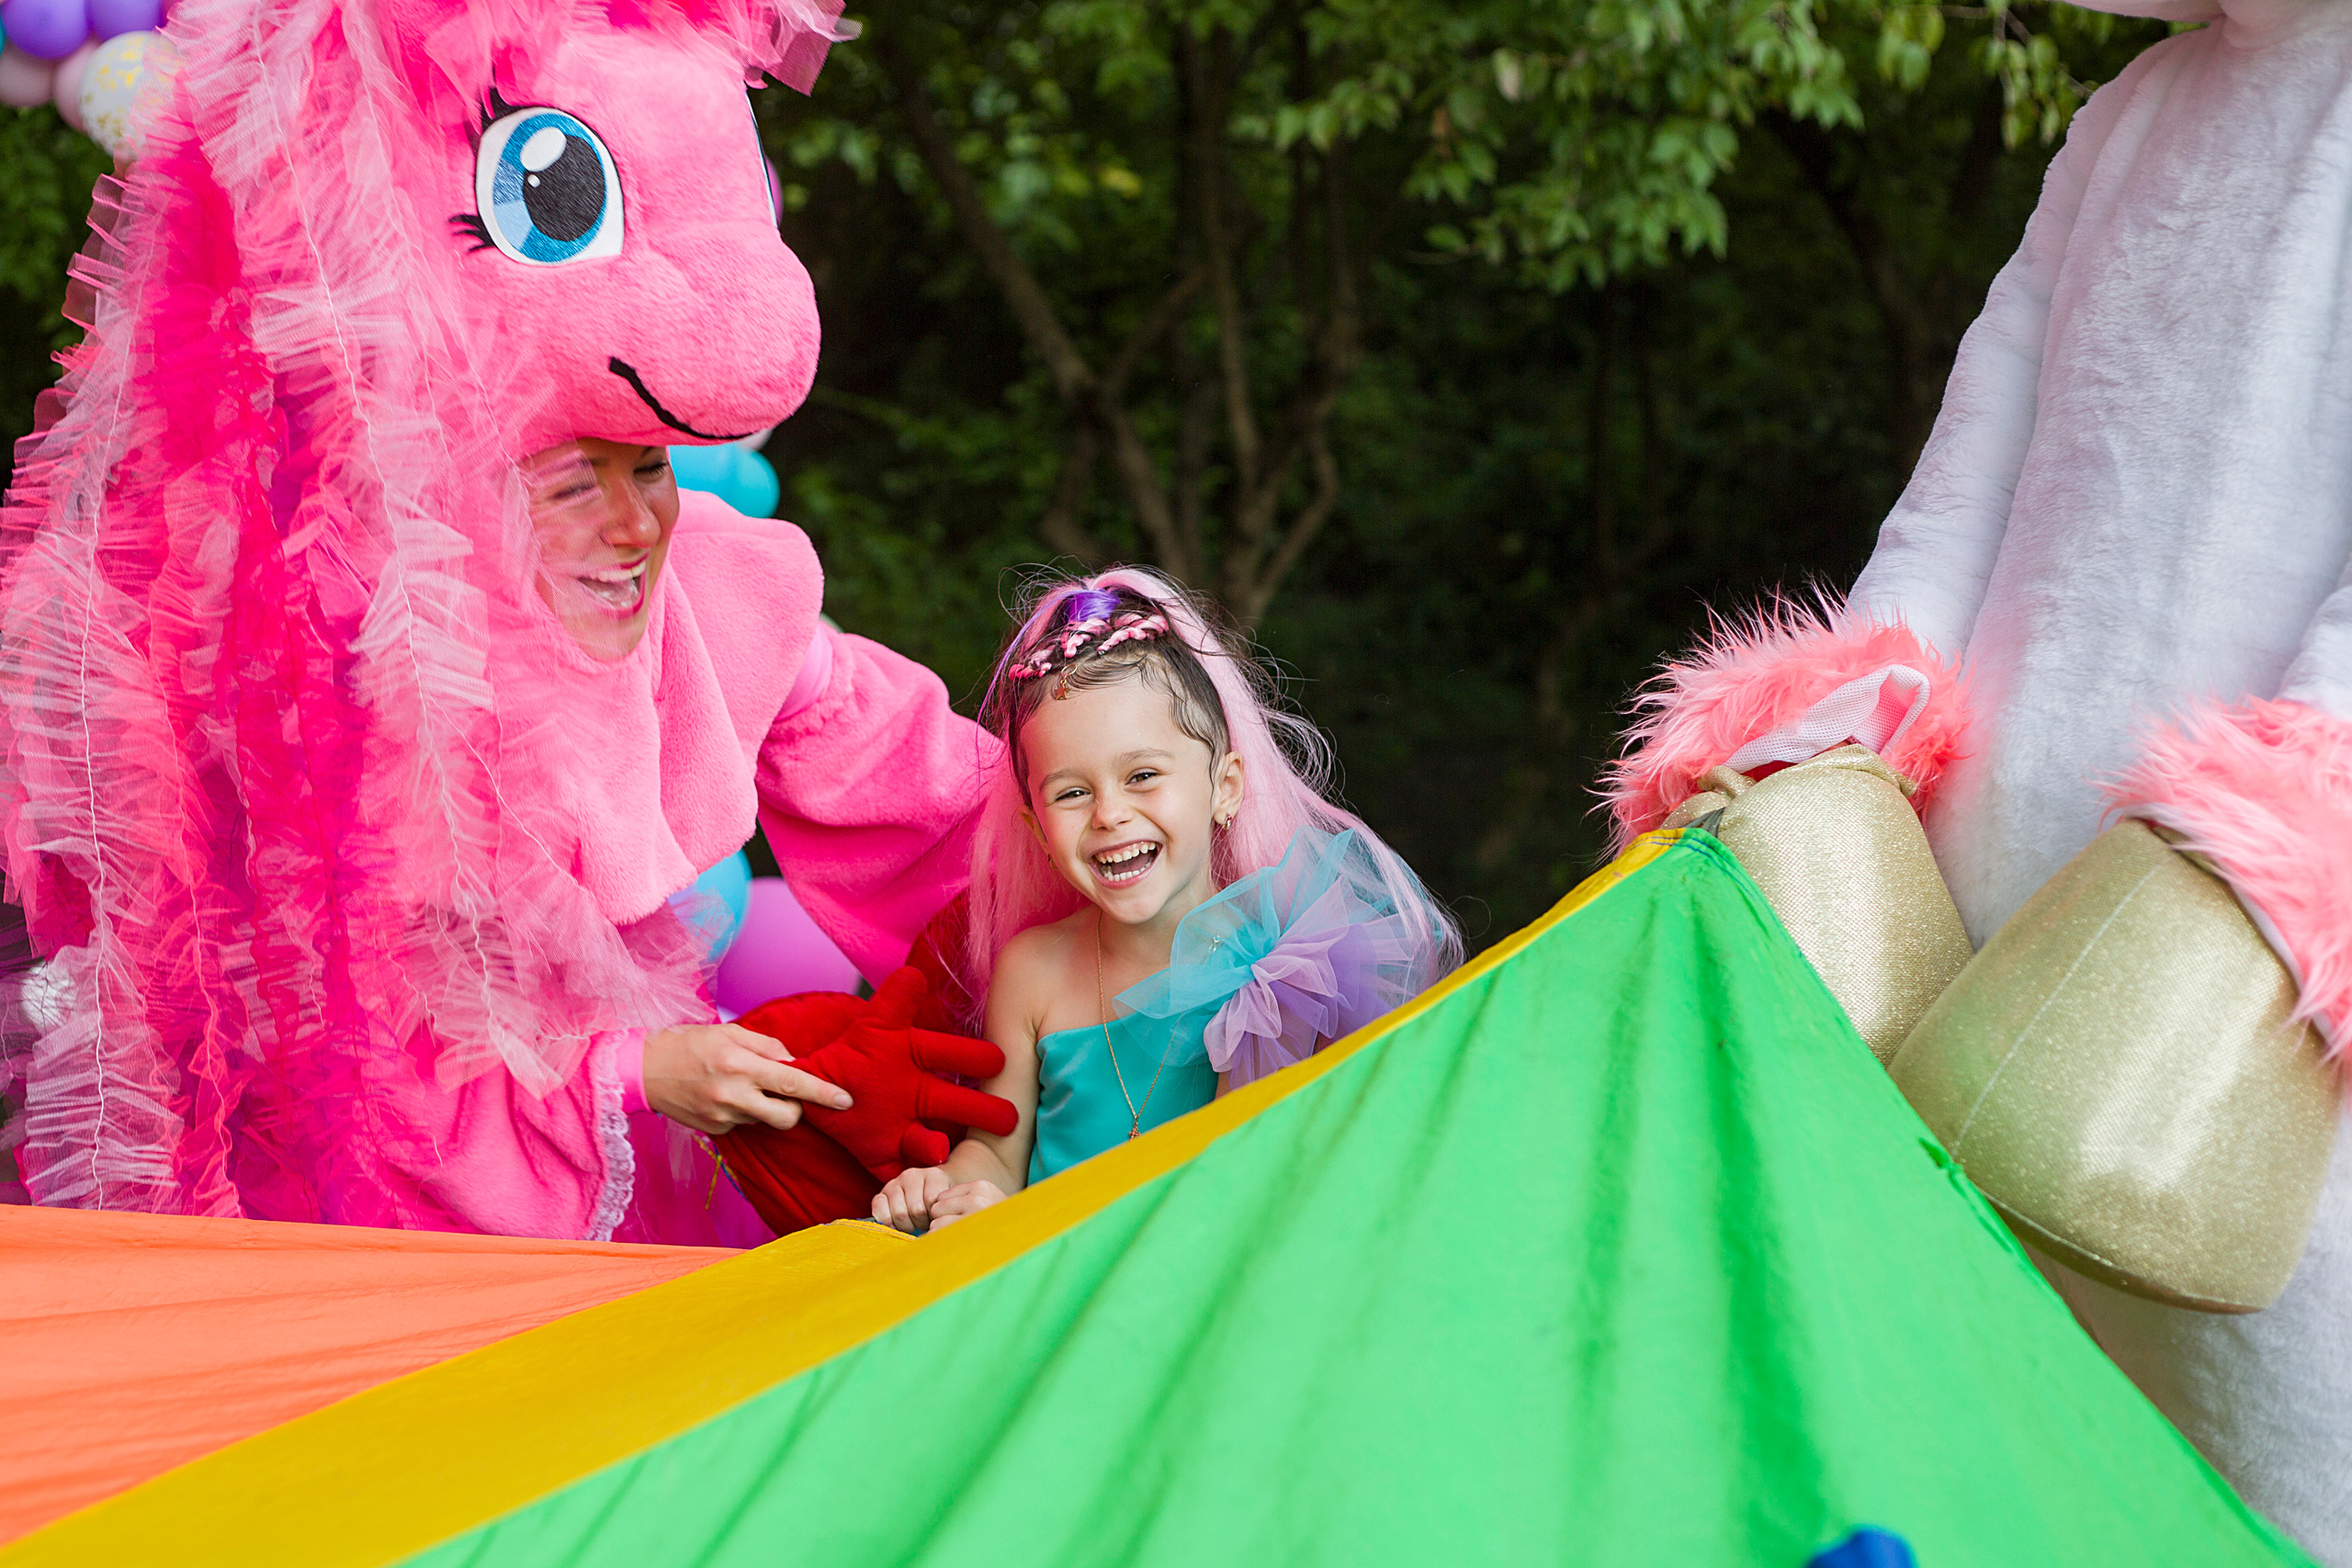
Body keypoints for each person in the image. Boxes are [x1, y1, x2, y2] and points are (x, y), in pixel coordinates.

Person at [0, 0, 1011, 1246]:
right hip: (370, 1271)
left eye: (646, 472)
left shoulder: (710, 592)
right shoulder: (321, 680)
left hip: (632, 1250)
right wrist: (635, 1075)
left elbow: (943, 803)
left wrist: (1186, 875)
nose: (636, 525)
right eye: (572, 483)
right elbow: (341, 1071)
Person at [872, 570, 1458, 1235]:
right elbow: (1001, 1155)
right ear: (1037, 825)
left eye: (1143, 775)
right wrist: (947, 1185)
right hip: (1047, 1286)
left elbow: (1269, 1191)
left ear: (1225, 787)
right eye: (1071, 793)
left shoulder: (1287, 964)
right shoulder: (1031, 970)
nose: (1111, 814)